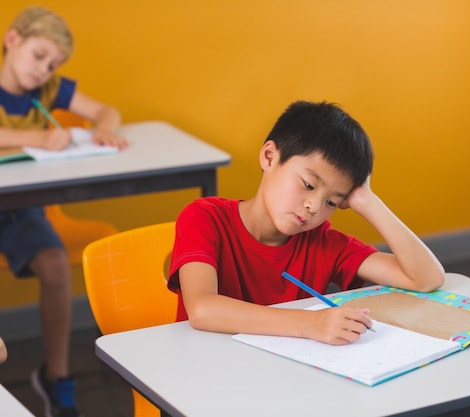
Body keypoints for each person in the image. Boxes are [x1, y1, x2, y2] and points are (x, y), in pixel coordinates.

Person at [167, 100, 445, 346]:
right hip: (206, 379)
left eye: (332, 202)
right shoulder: (205, 218)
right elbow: (203, 310)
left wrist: (366, 201)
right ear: (269, 157)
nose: (314, 207)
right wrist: (310, 324)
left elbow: (425, 278)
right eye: (309, 184)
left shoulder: (323, 243)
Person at [0, 7, 127, 417]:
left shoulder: (51, 90)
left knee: (55, 263)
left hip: (20, 212)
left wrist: (104, 128)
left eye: (53, 64)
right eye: (39, 56)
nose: (43, 70)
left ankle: (56, 377)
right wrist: (39, 136)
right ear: (13, 39)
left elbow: (108, 112)